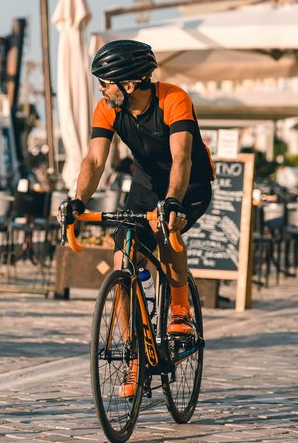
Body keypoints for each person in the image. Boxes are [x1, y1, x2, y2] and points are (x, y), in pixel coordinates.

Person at [59, 39, 214, 398]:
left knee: (165, 229)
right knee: (122, 259)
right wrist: (78, 201)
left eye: (105, 82)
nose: (101, 89)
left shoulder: (174, 99)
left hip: (188, 183)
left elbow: (182, 158)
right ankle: (135, 356)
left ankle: (178, 309)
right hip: (145, 184)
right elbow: (95, 160)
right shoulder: (107, 108)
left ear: (129, 84)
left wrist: (173, 203)